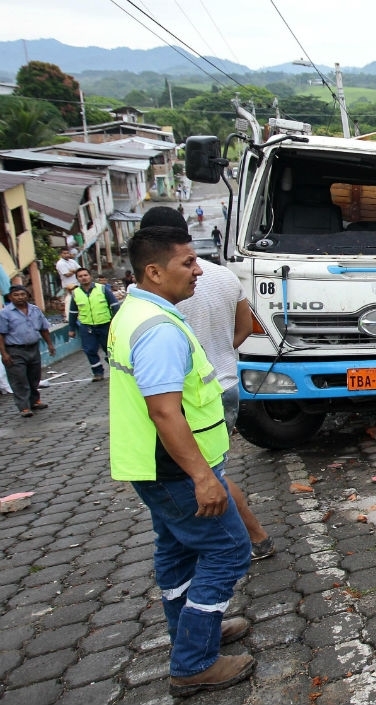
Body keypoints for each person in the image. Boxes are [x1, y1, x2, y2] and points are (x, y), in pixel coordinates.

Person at [108, 224, 255, 696]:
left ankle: (194, 631)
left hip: (152, 467)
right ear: (154, 271)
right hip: (176, 470)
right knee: (229, 550)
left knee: (175, 553)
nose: (197, 270)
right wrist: (202, 477)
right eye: (187, 263)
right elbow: (164, 410)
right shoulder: (157, 331)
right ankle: (194, 661)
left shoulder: (136, 312)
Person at [141, 206, 274, 560]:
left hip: (184, 398)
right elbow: (245, 329)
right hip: (226, 384)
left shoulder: (154, 289)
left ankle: (253, 537)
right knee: (209, 470)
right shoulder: (225, 276)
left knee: (204, 476)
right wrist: (216, 354)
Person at [0, 285, 55, 417]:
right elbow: (0, 334)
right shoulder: (5, 313)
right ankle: (24, 407)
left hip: (33, 348)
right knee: (19, 378)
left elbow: (43, 328)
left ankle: (35, 401)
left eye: (22, 294)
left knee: (34, 377)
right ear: (10, 297)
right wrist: (4, 354)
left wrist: (49, 344)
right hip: (14, 350)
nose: (20, 297)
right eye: (16, 295)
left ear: (27, 296)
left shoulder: (35, 310)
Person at [68, 267, 121, 381]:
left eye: (85, 275)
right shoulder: (76, 293)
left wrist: (116, 322)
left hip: (105, 325)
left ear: (90, 276)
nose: (83, 278)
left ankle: (115, 371)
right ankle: (97, 373)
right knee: (90, 350)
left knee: (110, 350)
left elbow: (114, 306)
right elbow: (73, 312)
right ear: (77, 279)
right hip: (87, 327)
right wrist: (71, 328)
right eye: (80, 276)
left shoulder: (102, 289)